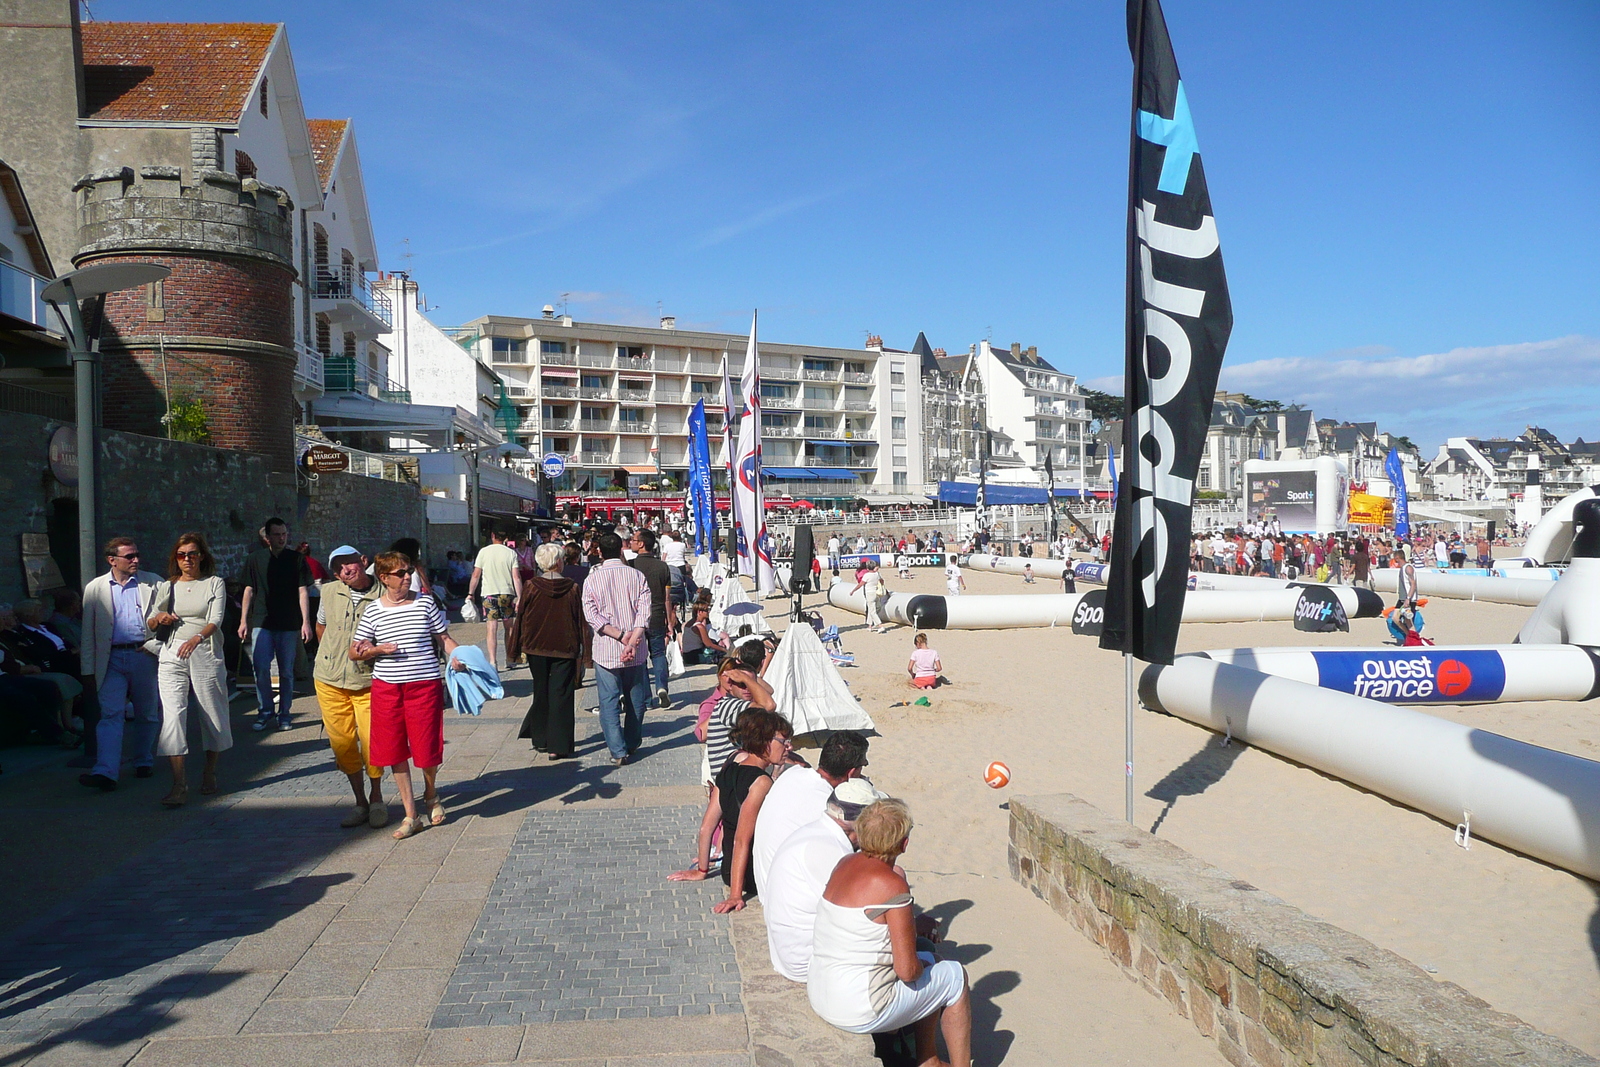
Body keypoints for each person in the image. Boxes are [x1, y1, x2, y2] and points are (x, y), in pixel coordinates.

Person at [809, 799, 971, 1067]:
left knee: (934, 966)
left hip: (821, 992)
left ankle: (927, 1058)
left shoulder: (843, 864)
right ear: (904, 844)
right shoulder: (892, 886)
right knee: (954, 977)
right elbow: (907, 970)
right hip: (860, 1008)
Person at [351, 551, 464, 841]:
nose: (406, 577)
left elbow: (443, 637)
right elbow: (355, 651)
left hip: (423, 684)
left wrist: (457, 655)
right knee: (394, 749)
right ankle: (410, 814)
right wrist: (376, 650)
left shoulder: (425, 602)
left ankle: (431, 793)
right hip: (387, 688)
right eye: (400, 573)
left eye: (408, 571)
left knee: (426, 747)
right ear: (384, 578)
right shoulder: (374, 610)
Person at [761, 779, 885, 982]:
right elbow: (854, 916)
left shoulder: (816, 832)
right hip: (805, 961)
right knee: (916, 950)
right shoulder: (829, 849)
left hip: (790, 951)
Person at [146, 533, 231, 807]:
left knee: (212, 713)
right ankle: (179, 783)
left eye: (192, 554)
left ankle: (209, 770)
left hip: (204, 652)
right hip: (172, 652)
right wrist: (160, 618)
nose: (187, 560)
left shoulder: (214, 583)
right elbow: (150, 621)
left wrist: (197, 638)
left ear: (201, 556)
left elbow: (215, 619)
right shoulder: (167, 586)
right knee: (172, 716)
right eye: (182, 555)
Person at [314, 545, 388, 829]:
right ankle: (360, 802)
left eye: (350, 563)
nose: (345, 570)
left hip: (367, 680)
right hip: (329, 679)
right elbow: (322, 627)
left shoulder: (382, 594)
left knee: (372, 743)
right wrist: (331, 656)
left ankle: (378, 798)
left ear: (364, 562)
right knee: (343, 744)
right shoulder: (330, 591)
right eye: (339, 567)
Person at [80, 537, 163, 791]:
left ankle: (143, 760)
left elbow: (169, 620)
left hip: (144, 654)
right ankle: (106, 771)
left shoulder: (154, 582)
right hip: (111, 657)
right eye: (129, 556)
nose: (136, 560)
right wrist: (88, 670)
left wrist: (156, 648)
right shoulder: (96, 588)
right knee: (110, 714)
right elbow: (88, 632)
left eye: (137, 555)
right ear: (112, 560)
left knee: (147, 713)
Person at [752, 730, 870, 895]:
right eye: (863, 765)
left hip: (769, 889)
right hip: (790, 898)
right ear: (851, 772)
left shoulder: (791, 774)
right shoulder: (830, 807)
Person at [707, 707, 793, 911]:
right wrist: (735, 895)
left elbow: (707, 825)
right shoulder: (761, 782)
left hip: (729, 870)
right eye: (783, 742)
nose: (788, 747)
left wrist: (702, 868)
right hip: (751, 874)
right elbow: (742, 838)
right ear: (765, 743)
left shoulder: (730, 768)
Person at [581, 532, 653, 765]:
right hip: (636, 646)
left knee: (609, 701)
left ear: (599, 552)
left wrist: (620, 636)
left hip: (607, 648)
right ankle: (632, 742)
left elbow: (592, 616)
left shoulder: (592, 578)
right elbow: (645, 612)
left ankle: (617, 749)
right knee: (636, 700)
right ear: (621, 549)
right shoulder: (636, 576)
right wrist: (632, 639)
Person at [512, 542, 587, 760]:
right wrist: (584, 649)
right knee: (561, 693)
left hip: (536, 646)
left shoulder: (531, 586)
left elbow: (522, 618)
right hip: (565, 647)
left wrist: (516, 647)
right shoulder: (572, 588)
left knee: (541, 689)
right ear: (557, 562)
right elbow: (579, 620)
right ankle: (558, 744)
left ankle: (541, 739)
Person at [239, 517, 312, 732]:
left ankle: (285, 713)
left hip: (289, 622)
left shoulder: (296, 559)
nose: (281, 538)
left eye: (284, 534)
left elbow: (303, 590)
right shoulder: (255, 559)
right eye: (277, 534)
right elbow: (248, 590)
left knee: (286, 671)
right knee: (260, 667)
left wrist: (305, 622)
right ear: (267, 537)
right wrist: (244, 620)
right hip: (263, 620)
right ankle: (265, 710)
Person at [627, 529, 676, 709]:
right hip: (656, 615)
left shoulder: (630, 565)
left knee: (640, 658)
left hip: (636, 617)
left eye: (633, 539)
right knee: (658, 653)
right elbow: (667, 597)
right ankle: (662, 687)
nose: (630, 542)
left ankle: (646, 699)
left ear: (641, 544)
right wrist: (669, 620)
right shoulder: (662, 566)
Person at [468, 529, 522, 672]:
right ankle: (510, 658)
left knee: (491, 628)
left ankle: (492, 661)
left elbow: (475, 575)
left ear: (492, 536)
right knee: (509, 626)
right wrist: (520, 596)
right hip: (507, 593)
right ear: (506, 537)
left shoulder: (484, 552)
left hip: (489, 593)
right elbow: (516, 577)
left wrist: (470, 593)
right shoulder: (511, 553)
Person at [851, 561, 888, 632]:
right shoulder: (877, 574)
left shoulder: (867, 575)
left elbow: (860, 584)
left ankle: (880, 625)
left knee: (872, 611)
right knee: (874, 609)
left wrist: (853, 591)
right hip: (876, 593)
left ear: (867, 568)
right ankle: (870, 625)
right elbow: (882, 581)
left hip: (869, 594)